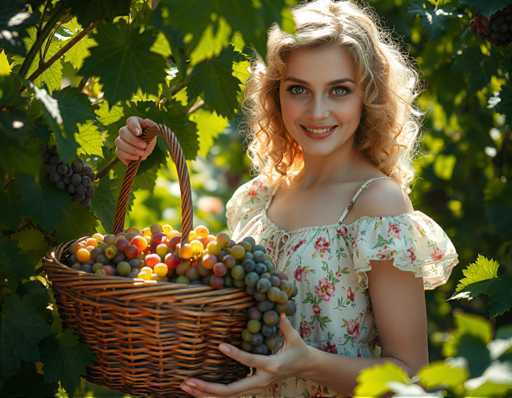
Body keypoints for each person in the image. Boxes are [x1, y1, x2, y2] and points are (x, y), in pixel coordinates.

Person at [114, 0, 459, 396]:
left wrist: (309, 364)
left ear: (368, 96)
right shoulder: (259, 197)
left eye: (339, 91)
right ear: (274, 94)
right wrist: (138, 151)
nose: (317, 111)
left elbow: (410, 377)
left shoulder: (376, 205)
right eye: (298, 89)